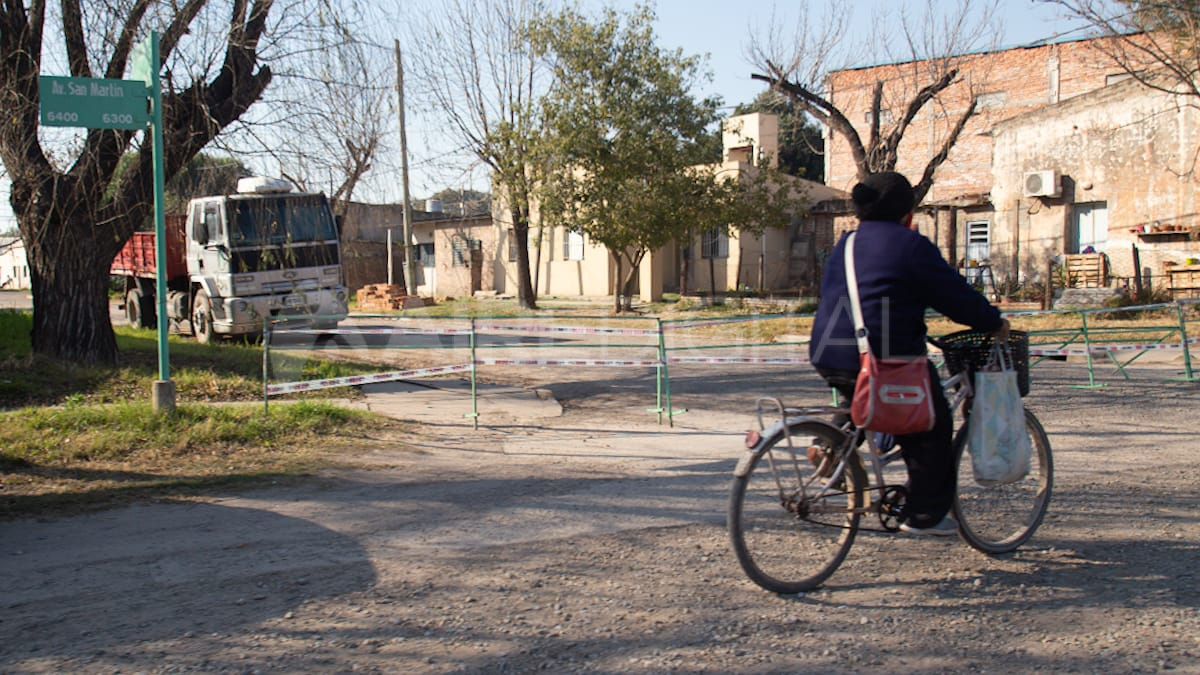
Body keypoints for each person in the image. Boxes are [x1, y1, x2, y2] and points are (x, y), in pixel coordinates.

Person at [808, 171, 1009, 536]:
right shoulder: (911, 245)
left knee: (866, 398)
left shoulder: (845, 245)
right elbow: (955, 296)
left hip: (827, 349)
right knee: (931, 422)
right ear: (909, 213)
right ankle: (923, 516)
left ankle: (833, 444)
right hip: (881, 356)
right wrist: (992, 321)